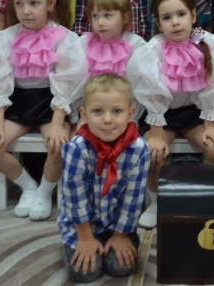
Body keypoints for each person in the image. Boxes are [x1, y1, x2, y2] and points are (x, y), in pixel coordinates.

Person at [0, 0, 87, 221]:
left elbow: (66, 82)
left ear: (50, 4)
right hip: (17, 104)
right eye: (19, 4)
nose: (26, 11)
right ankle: (29, 188)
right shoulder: (5, 38)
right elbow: (0, 81)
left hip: (51, 105)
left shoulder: (64, 39)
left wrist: (58, 124)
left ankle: (45, 193)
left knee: (59, 146)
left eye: (34, 3)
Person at [125, 0, 214, 229]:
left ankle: (202, 196)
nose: (175, 22)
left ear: (193, 15)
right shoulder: (153, 50)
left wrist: (211, 125)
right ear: (158, 23)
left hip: (195, 113)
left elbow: (212, 87)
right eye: (167, 18)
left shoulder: (208, 44)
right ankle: (157, 202)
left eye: (181, 14)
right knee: (153, 153)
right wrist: (156, 136)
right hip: (161, 115)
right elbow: (152, 93)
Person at [59, 74, 150, 282]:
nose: (107, 119)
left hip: (117, 225)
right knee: (86, 273)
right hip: (81, 226)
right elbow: (75, 199)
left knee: (120, 267)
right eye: (98, 111)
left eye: (116, 111)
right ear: (84, 114)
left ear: (130, 114)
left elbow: (134, 199)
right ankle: (79, 243)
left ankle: (119, 239)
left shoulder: (139, 149)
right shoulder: (76, 149)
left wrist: (120, 235)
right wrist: (85, 238)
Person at [79, 0, 147, 79]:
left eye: (107, 15)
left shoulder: (134, 44)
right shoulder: (84, 42)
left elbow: (139, 80)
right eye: (95, 16)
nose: (100, 23)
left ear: (125, 18)